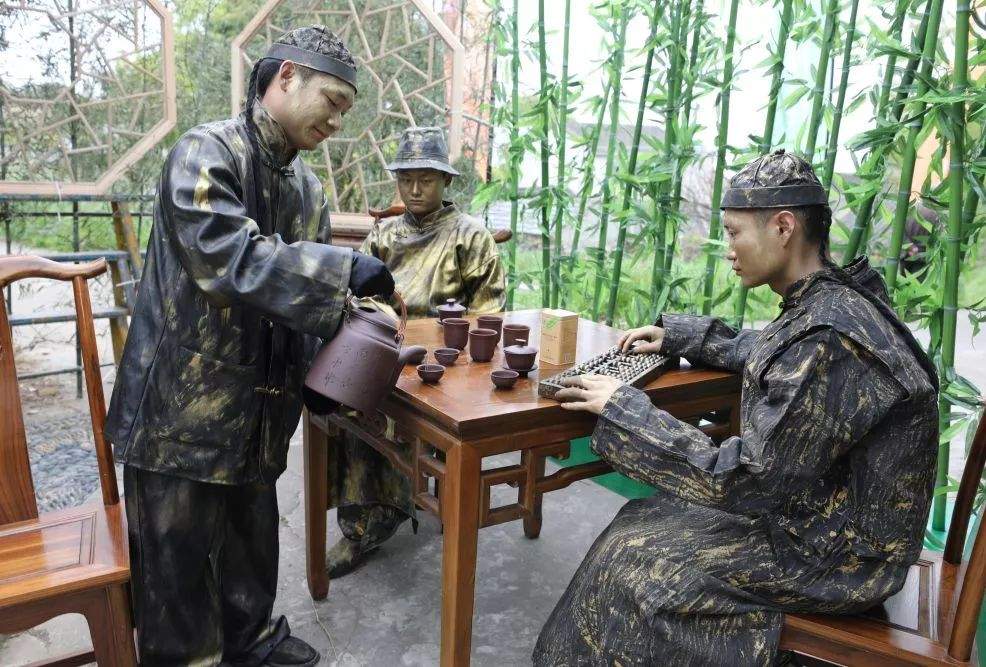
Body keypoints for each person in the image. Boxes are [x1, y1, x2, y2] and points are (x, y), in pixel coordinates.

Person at [533, 149, 939, 666]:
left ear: (783, 226)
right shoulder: (830, 304)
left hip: (839, 557)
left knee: (633, 564)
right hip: (819, 519)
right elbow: (773, 350)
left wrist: (623, 407)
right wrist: (681, 337)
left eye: (733, 232)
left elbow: (745, 480)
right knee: (641, 520)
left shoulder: (833, 339)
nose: (727, 248)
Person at [105, 26, 396, 666]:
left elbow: (305, 300)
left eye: (348, 110)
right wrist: (342, 271)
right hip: (180, 412)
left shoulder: (307, 189)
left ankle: (254, 643)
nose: (338, 122)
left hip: (260, 408)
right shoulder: (204, 153)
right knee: (178, 571)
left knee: (252, 545)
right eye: (334, 101)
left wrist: (353, 331)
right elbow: (227, 259)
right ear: (286, 77)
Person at [323, 126, 506, 577]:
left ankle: (406, 503)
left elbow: (489, 314)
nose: (415, 189)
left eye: (426, 179)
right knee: (349, 408)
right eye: (406, 179)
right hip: (384, 352)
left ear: (446, 182)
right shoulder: (384, 235)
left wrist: (451, 351)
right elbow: (356, 295)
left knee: (413, 414)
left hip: (446, 365)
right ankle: (362, 522)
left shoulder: (470, 235)